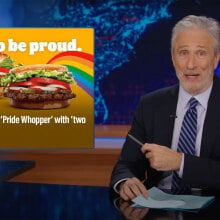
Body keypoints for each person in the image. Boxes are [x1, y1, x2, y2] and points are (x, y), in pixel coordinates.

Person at [109, 15, 220, 201]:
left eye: (201, 53)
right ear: (173, 58)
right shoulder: (150, 104)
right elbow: (126, 164)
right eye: (183, 53)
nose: (191, 64)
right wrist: (126, 181)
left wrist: (180, 162)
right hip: (157, 210)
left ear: (216, 59)